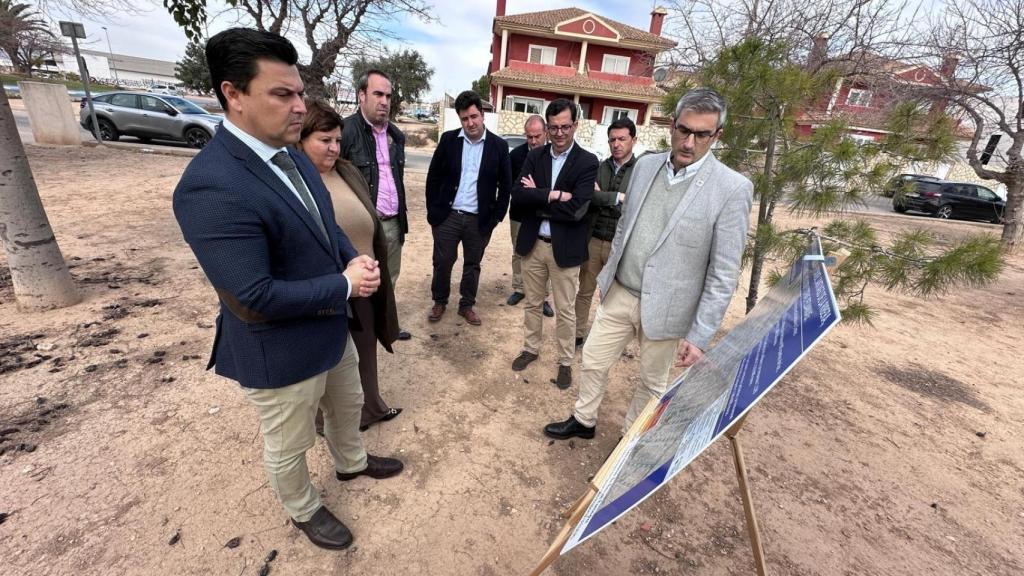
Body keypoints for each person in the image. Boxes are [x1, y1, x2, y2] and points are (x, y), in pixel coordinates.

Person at [173, 28, 403, 552]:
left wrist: (352, 259)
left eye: (299, 92)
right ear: (233, 93)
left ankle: (352, 464)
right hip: (278, 348)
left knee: (347, 407)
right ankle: (304, 508)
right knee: (290, 443)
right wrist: (343, 284)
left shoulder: (294, 155)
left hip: (330, 330)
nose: (299, 107)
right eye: (283, 94)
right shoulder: (211, 184)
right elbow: (252, 294)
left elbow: (327, 227)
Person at [544, 87, 753, 441]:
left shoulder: (732, 188)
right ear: (672, 125)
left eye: (702, 134)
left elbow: (723, 273)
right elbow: (626, 224)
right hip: (622, 291)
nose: (689, 142)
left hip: (670, 308)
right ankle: (584, 419)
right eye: (684, 130)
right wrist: (609, 279)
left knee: (651, 381)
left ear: (717, 135)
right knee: (593, 359)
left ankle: (629, 442)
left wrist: (700, 335)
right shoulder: (646, 166)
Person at [297, 99, 402, 433]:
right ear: (301, 139)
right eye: (324, 140)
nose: (333, 148)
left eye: (337, 140)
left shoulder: (347, 170)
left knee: (365, 354)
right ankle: (325, 424)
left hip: (365, 285)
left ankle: (371, 408)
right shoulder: (295, 181)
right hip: (329, 291)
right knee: (327, 366)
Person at [510, 98, 599, 389]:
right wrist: (556, 195)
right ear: (546, 128)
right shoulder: (535, 157)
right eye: (554, 128)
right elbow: (519, 197)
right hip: (533, 243)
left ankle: (564, 362)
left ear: (576, 125)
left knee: (565, 309)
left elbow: (578, 210)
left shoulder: (587, 162)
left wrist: (540, 195)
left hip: (566, 249)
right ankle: (530, 348)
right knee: (533, 303)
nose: (559, 133)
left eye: (565, 127)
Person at [425, 90, 512, 325]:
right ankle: (440, 301)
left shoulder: (499, 146)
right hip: (448, 216)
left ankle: (466, 305)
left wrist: (496, 218)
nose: (470, 123)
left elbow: (505, 186)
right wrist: (433, 212)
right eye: (465, 118)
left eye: (474, 116)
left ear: (482, 115)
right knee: (442, 261)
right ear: (460, 119)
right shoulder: (448, 140)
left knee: (472, 265)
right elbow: (433, 177)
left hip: (479, 220)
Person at [340, 68, 411, 341]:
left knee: (389, 279)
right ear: (361, 96)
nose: (384, 101)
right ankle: (356, 333)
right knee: (360, 280)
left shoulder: (396, 135)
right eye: (378, 94)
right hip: (362, 227)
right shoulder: (346, 132)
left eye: (388, 96)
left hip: (393, 223)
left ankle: (385, 326)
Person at [574, 117, 640, 349]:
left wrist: (605, 197)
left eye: (622, 139)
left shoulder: (641, 171)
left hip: (619, 246)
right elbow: (588, 197)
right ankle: (578, 333)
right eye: (612, 139)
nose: (616, 144)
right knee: (585, 291)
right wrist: (616, 198)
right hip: (593, 239)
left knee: (613, 298)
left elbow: (635, 205)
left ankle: (605, 340)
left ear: (634, 139)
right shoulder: (599, 167)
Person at [507, 114, 554, 318]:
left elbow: (554, 190)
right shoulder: (515, 156)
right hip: (519, 214)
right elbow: (513, 189)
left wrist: (536, 193)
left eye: (537, 136)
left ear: (546, 133)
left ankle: (542, 296)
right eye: (529, 137)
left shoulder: (554, 156)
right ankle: (519, 288)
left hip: (545, 215)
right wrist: (539, 193)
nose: (533, 141)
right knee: (519, 252)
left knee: (544, 254)